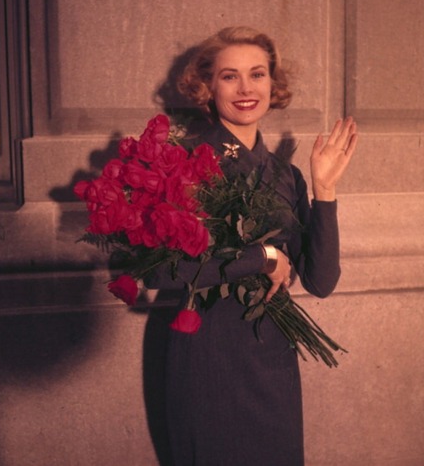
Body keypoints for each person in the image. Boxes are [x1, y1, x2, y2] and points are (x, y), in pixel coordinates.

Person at [145, 26, 358, 466]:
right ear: (207, 86)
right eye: (230, 76)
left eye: (257, 74)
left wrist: (325, 190)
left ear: (272, 85)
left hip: (271, 355)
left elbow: (321, 280)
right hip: (208, 354)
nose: (246, 89)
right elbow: (161, 272)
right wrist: (262, 258)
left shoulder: (285, 175)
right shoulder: (184, 164)